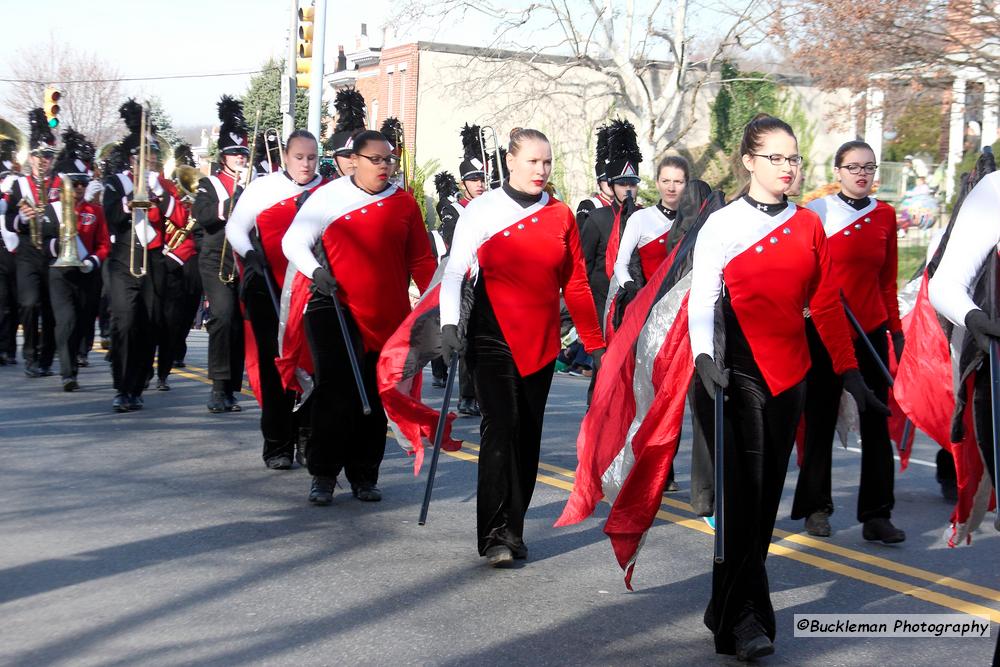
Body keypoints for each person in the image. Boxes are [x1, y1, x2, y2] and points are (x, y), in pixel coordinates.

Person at [688, 114, 886, 660]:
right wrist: (704, 355)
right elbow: (703, 298)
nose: (788, 168)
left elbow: (824, 305)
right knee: (744, 499)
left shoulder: (808, 225)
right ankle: (751, 619)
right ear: (749, 161)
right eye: (776, 157)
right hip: (735, 375)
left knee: (764, 502)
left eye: (794, 159)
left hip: (792, 376)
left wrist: (847, 372)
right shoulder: (723, 225)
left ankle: (722, 608)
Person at [439, 127, 606, 566]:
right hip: (490, 335)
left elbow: (575, 282)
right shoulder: (482, 210)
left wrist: (595, 343)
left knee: (527, 436)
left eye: (547, 162)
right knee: (502, 427)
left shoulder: (562, 215)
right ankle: (493, 535)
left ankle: (513, 528)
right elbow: (455, 271)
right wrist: (450, 323)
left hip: (541, 341)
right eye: (533, 161)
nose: (541, 170)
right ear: (510, 162)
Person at [282, 129, 437, 505]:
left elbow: (420, 258)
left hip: (388, 315)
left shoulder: (403, 204)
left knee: (374, 395)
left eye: (389, 159)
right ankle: (323, 473)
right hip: (333, 307)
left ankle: (365, 475)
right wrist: (315, 271)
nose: (385, 166)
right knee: (337, 393)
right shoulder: (329, 197)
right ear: (355, 160)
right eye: (376, 159)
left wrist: (437, 302)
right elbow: (293, 241)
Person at [791, 141, 905, 542]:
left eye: (869, 168)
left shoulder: (886, 216)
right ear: (837, 171)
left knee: (877, 420)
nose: (862, 174)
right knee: (819, 418)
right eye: (853, 167)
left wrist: (896, 331)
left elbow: (886, 281)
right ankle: (816, 508)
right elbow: (802, 273)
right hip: (824, 330)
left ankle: (877, 514)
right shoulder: (815, 213)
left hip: (870, 329)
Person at [226, 129, 326, 470]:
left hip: (312, 290)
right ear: (285, 156)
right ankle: (277, 443)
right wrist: (250, 253)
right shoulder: (263, 188)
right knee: (276, 367)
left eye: (312, 157)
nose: (306, 164)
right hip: (270, 287)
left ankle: (307, 435)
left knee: (315, 365)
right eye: (299, 157)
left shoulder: (327, 190)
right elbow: (235, 227)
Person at [102, 99, 182, 412]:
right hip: (124, 259)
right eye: (143, 156)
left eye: (152, 155)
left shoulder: (161, 184)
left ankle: (136, 385)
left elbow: (178, 218)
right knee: (124, 322)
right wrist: (130, 200)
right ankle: (121, 386)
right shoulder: (115, 184)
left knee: (149, 324)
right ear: (132, 159)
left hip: (154, 260)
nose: (149, 161)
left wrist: (159, 195)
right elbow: (111, 218)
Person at [192, 96, 249, 413]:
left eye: (242, 153)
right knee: (223, 317)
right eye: (233, 153)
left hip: (242, 259)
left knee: (239, 323)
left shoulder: (254, 184)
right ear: (223, 156)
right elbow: (201, 215)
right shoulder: (210, 183)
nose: (240, 158)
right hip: (216, 259)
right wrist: (225, 208)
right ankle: (217, 387)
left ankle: (231, 388)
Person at [47, 128, 109, 391]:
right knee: (67, 321)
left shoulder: (95, 211)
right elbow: (45, 243)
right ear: (66, 185)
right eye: (76, 184)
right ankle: (67, 373)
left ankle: (73, 360)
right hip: (60, 274)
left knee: (83, 323)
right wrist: (58, 247)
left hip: (87, 272)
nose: (81, 188)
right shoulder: (54, 210)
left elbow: (104, 243)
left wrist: (93, 261)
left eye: (84, 184)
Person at [437, 123, 492, 416]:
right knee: (466, 339)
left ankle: (484, 393)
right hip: (464, 279)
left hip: (489, 278)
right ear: (463, 182)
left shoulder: (494, 205)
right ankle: (467, 395)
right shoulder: (454, 209)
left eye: (482, 177)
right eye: (473, 179)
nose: (480, 184)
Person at [4, 109, 60, 377]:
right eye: (38, 156)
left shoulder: (60, 184)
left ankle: (46, 358)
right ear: (31, 158)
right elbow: (9, 221)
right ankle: (29, 355)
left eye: (47, 156)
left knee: (50, 308)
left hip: (52, 253)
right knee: (28, 303)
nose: (42, 161)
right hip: (27, 252)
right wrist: (23, 219)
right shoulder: (19, 185)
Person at [581, 118, 642, 325]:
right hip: (602, 310)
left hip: (637, 309)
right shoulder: (597, 219)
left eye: (632, 183)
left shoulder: (646, 217)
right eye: (622, 183)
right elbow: (584, 271)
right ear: (612, 185)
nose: (627, 189)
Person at [0, 138, 20, 365]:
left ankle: (10, 347)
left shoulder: (17, 185)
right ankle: (2, 346)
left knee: (15, 302)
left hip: (16, 250)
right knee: (2, 299)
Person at [575, 124, 613, 232]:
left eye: (613, 179)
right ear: (599, 183)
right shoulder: (589, 205)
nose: (610, 183)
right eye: (605, 179)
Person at [324, 89, 367, 178]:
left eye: (358, 154)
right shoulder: (322, 191)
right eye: (347, 155)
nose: (353, 160)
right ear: (335, 159)